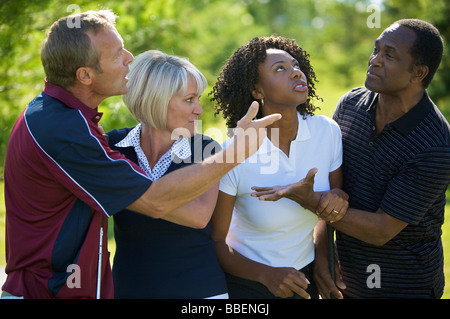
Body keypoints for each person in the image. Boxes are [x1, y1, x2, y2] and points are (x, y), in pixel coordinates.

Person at [1, 10, 281, 299]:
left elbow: (194, 215)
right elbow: (154, 202)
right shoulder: (69, 131)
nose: (129, 58)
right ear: (85, 75)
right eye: (116, 54)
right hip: (45, 290)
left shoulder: (70, 122)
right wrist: (234, 153)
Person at [254, 19, 450, 299]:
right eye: (376, 49)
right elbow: (334, 189)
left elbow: (381, 229)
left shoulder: (434, 144)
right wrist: (322, 261)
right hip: (346, 281)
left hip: (405, 285)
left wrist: (310, 200)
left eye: (389, 55)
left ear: (417, 73)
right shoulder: (350, 106)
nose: (374, 60)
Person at [209, 35, 347, 299]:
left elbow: (331, 207)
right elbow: (216, 241)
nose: (296, 72)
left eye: (296, 65)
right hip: (247, 285)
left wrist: (321, 262)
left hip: (304, 281)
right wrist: (266, 275)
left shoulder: (326, 131)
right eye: (280, 69)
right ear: (257, 91)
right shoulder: (236, 151)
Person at [106, 50, 228, 298]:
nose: (199, 110)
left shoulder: (205, 149)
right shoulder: (113, 144)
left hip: (200, 294)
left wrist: (119, 189)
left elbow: (199, 216)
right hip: (127, 291)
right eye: (189, 100)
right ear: (156, 99)